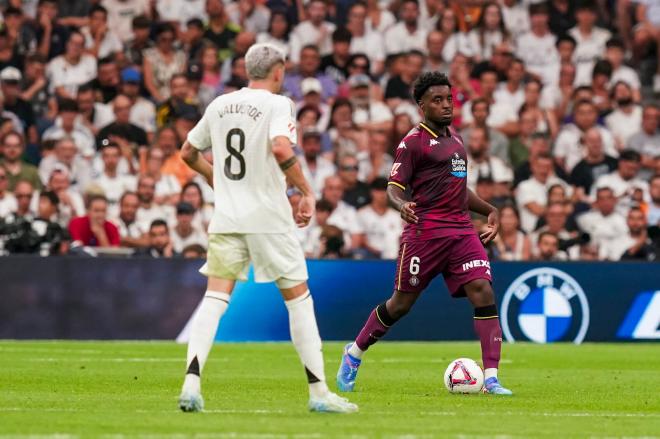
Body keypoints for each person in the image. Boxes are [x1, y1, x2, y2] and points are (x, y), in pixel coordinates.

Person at [178, 43, 357, 413]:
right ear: (278, 71)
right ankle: (320, 394)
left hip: (227, 217)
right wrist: (306, 190)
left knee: (214, 299)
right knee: (299, 300)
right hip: (268, 220)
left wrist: (218, 181)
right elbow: (280, 148)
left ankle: (191, 385)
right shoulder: (278, 104)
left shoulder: (218, 105)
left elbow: (187, 153)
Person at [336, 72, 513, 396]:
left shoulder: (456, 141)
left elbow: (459, 190)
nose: (446, 105)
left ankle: (491, 378)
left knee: (483, 291)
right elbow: (393, 186)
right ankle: (354, 353)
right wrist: (400, 204)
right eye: (437, 100)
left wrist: (489, 209)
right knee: (400, 305)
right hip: (425, 232)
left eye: (449, 99)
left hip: (461, 230)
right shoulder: (413, 143)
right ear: (421, 106)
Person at [356, 177, 402, 259]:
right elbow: (359, 239)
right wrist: (375, 252)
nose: (382, 194)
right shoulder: (361, 214)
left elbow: (401, 239)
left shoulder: (397, 216)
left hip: (394, 260)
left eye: (385, 190)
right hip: (370, 258)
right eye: (378, 190)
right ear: (371, 192)